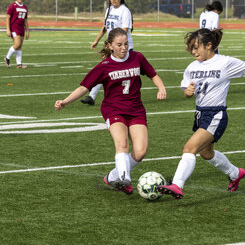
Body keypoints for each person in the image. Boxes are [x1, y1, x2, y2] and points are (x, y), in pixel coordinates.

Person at [157, 28, 245, 200]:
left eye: (196, 47)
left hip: (216, 115)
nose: (193, 51)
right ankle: (235, 173)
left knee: (189, 148)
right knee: (206, 154)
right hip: (200, 115)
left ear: (209, 45)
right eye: (191, 47)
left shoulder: (225, 63)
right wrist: (189, 92)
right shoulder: (192, 67)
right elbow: (186, 91)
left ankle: (177, 185)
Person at [55, 28, 166, 195]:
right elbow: (84, 87)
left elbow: (153, 74)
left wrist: (161, 88)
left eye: (126, 44)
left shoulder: (138, 57)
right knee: (122, 144)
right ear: (110, 45)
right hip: (113, 110)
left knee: (140, 152)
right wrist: (65, 101)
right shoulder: (104, 67)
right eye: (119, 45)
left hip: (136, 110)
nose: (124, 48)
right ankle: (124, 177)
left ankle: (112, 176)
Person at [81, 0, 134, 106]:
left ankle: (126, 95)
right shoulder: (109, 9)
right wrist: (96, 40)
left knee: (128, 72)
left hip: (123, 46)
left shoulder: (124, 10)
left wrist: (117, 42)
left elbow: (125, 29)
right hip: (111, 46)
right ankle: (91, 96)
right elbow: (105, 27)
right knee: (104, 70)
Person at [4, 0, 29, 68]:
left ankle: (19, 64)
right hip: (14, 28)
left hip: (21, 28)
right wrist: (8, 29)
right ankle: (7, 58)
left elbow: (25, 20)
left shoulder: (25, 7)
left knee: (19, 46)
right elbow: (7, 18)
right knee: (17, 44)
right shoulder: (12, 6)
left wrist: (27, 31)